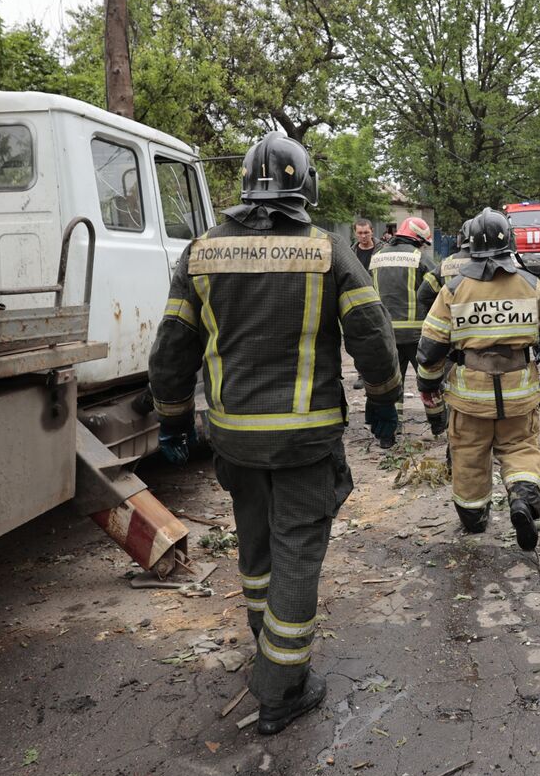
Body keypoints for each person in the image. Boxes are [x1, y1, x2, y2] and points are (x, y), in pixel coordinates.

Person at [148, 132, 401, 736]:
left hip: (233, 437)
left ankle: (265, 644)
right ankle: (282, 689)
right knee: (297, 555)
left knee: (256, 546)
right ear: (305, 187)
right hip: (305, 441)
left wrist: (174, 416)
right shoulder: (327, 250)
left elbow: (171, 347)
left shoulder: (201, 253)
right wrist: (384, 399)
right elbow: (370, 331)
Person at [417, 208, 540, 551]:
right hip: (519, 393)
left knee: (469, 454)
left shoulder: (455, 289)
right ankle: (522, 501)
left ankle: (474, 518)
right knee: (521, 449)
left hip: (470, 398)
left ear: (469, 246)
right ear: (509, 243)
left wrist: (428, 386)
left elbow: (431, 347)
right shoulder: (531, 284)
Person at [370, 216, 442, 430]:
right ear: (417, 239)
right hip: (418, 336)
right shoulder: (420, 258)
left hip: (386, 334)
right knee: (430, 380)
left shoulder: (377, 257)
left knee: (390, 384)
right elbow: (439, 291)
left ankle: (388, 433)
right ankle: (438, 425)